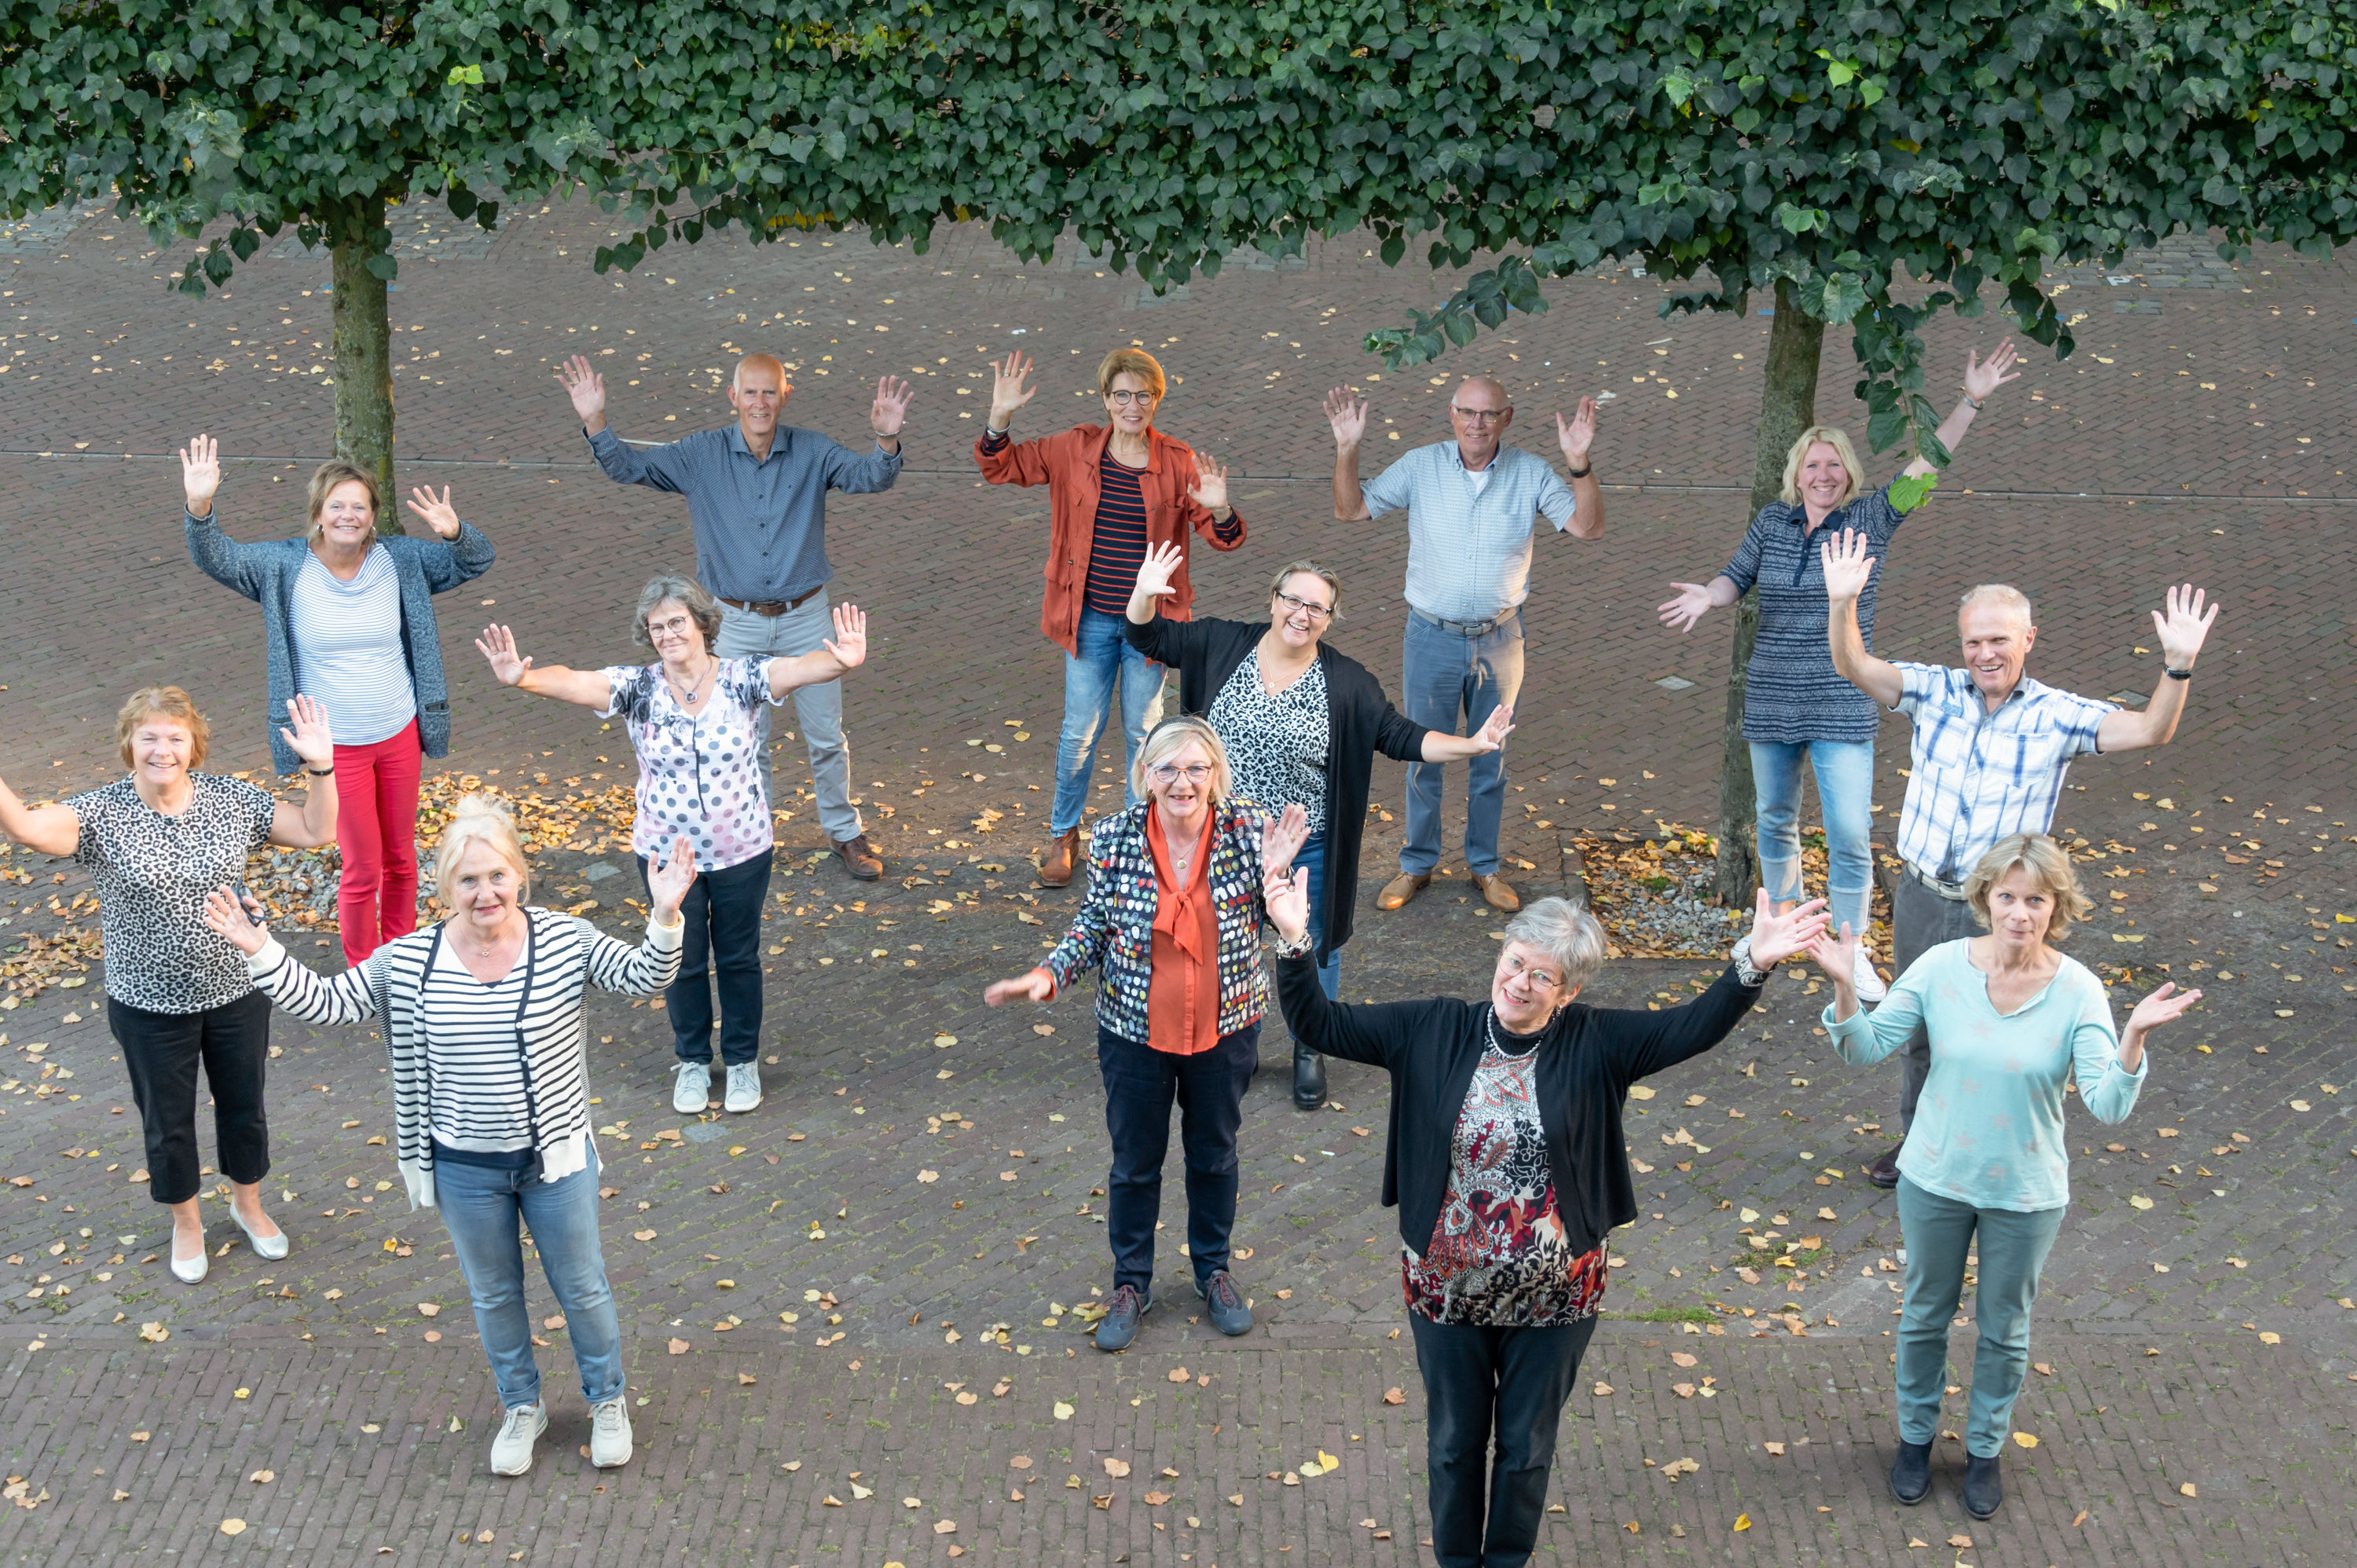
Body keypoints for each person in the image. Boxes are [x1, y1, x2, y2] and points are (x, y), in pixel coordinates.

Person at [1270, 880, 1827, 1568]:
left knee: (1527, 1450)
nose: (1521, 983)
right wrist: (1295, 940)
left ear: (1567, 993)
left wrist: (1753, 963)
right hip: (1446, 1292)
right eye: (1515, 964)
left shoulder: (1599, 1043)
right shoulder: (1432, 1027)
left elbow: (1692, 1025)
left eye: (1543, 976)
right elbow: (1320, 1024)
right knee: (1452, 1444)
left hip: (1557, 1298)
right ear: (1500, 956)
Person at [204, 794, 695, 1478]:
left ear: (520, 876)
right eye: (467, 880)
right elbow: (328, 1002)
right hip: (465, 1168)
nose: (484, 892)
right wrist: (261, 948)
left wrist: (666, 913)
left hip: (555, 1160)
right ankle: (521, 1407)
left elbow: (646, 975)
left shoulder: (564, 940)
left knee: (581, 1287)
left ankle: (607, 1400)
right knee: (494, 1295)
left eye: (496, 876)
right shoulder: (410, 962)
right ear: (445, 890)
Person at [1808, 833, 2197, 1519]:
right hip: (1934, 1179)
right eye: (2008, 896)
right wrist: (1845, 985)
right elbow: (1865, 1048)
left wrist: (2132, 1036)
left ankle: (1984, 1450)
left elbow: (2107, 1104)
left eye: (2037, 900)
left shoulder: (2078, 990)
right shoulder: (1938, 968)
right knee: (1926, 1315)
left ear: (2057, 906)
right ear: (1986, 898)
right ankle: (1914, 1440)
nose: (2021, 912)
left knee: (2004, 1328)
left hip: (2025, 1193)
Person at [1822, 530, 2218, 1187]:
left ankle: (1984, 1151)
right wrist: (1842, 605)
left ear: (2027, 640)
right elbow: (1854, 666)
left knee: (1987, 1035)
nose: (1985, 653)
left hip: (1997, 910)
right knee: (1915, 1029)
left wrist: (2176, 666)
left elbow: (2151, 729)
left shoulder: (2060, 717)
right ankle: (1920, 1143)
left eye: (1999, 640)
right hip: (1921, 895)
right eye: (1974, 641)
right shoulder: (1933, 692)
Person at [1655, 343, 2021, 1002]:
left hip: (1842, 701)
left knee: (1851, 836)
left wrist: (1970, 400)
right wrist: (1710, 596)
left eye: (1833, 465)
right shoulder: (1771, 523)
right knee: (1774, 820)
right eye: (1811, 465)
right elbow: (1736, 576)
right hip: (1772, 699)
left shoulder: (1871, 521)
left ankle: (1850, 951)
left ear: (1848, 475)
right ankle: (1782, 930)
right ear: (1796, 475)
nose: (1822, 475)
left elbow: (1929, 466)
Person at [1123, 543, 1513, 1108]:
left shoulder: (1349, 683)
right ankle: (1237, 1045)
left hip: (1307, 843)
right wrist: (1143, 592)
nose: (1302, 615)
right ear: (1274, 600)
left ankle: (1312, 1043)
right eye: (1294, 601)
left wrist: (1472, 744)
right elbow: (1147, 637)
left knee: (1310, 944)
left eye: (1318, 609)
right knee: (1224, 945)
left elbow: (1400, 737)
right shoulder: (1220, 643)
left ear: (1329, 619)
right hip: (1223, 836)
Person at [473, 578, 868, 1116]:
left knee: (737, 956)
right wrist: (522, 677)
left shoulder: (742, 678)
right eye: (657, 627)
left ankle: (743, 1061)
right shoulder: (639, 687)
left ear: (703, 624)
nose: (667, 634)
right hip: (666, 856)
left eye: (677, 622)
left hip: (742, 850)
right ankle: (692, 1062)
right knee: (679, 959)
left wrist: (841, 662)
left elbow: (795, 670)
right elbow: (577, 683)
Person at [984, 717, 1307, 1353]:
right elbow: (1093, 928)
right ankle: (1132, 1284)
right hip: (1134, 1034)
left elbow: (1287, 926)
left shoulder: (1249, 835)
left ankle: (1213, 1271)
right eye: (1167, 768)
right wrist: (1048, 976)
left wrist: (1282, 910)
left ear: (1215, 776)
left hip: (1225, 1030)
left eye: (1196, 768)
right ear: (1145, 776)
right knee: (1135, 1165)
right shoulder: (1113, 838)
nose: (1182, 781)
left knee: (1214, 1156)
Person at [0, 687, 337, 1283]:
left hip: (237, 990)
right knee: (168, 1121)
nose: (163, 749)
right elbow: (27, 828)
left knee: (245, 1109)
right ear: (129, 745)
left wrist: (320, 766)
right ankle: (187, 1221)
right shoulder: (100, 814)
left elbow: (316, 831)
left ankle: (248, 1205)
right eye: (149, 736)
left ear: (194, 745)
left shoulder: (230, 799)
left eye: (175, 737)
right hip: (149, 1006)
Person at [556, 351, 909, 882]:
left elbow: (870, 477)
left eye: (770, 392)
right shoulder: (701, 454)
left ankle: (843, 831)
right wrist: (595, 421)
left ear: (785, 396)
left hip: (805, 615)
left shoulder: (812, 451)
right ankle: (755, 832)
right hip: (731, 620)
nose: (760, 403)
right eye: (751, 393)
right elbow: (629, 466)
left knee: (825, 733)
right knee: (745, 734)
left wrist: (885, 440)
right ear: (733, 397)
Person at [181, 435, 497, 965]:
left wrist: (455, 532)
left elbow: (476, 560)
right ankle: (363, 971)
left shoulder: (401, 560)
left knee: (400, 858)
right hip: (334, 746)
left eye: (360, 506)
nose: (348, 516)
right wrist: (200, 505)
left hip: (398, 732)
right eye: (337, 507)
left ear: (374, 516)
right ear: (318, 514)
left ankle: (400, 960)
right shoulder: (284, 566)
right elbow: (217, 558)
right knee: (362, 865)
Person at [1324, 379, 1604, 914]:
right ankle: (1417, 865)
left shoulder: (1530, 473)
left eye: (1489, 415)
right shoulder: (1420, 466)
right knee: (1421, 754)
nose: (1477, 424)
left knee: (1489, 758)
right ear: (1451, 416)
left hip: (1501, 639)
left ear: (1507, 417)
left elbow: (1588, 529)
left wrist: (1580, 463)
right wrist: (1347, 449)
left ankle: (1484, 867)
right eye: (1467, 413)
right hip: (1430, 636)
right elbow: (1350, 510)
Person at [977, 348, 1244, 888]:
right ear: (1106, 400)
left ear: (1155, 401)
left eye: (1142, 396)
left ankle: (1136, 841)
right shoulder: (1072, 449)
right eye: (1121, 395)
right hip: (1089, 617)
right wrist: (999, 416)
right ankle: (1063, 834)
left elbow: (1224, 539)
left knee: (1144, 735)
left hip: (1152, 624)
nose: (1132, 405)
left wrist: (1217, 507)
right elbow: (1001, 467)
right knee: (1079, 732)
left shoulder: (1177, 460)